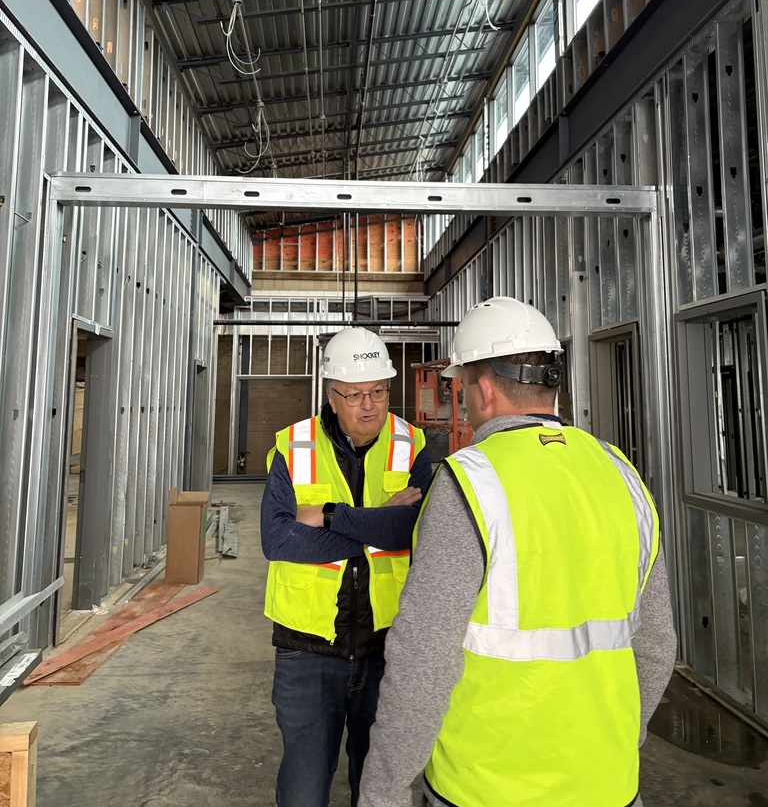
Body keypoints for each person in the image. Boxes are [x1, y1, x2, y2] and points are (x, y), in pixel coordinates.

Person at [358, 296, 677, 807]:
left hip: (485, 787)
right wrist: (618, 743)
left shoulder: (469, 484)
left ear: (482, 388)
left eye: (460, 387)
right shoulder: (622, 476)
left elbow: (424, 661)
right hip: (609, 784)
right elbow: (657, 645)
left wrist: (384, 789)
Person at [261, 327, 432, 807]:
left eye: (378, 390)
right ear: (331, 396)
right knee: (304, 788)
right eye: (355, 394)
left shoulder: (411, 444)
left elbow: (410, 531)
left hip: (386, 644)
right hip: (306, 648)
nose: (369, 405)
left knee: (378, 786)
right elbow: (277, 539)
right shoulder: (294, 446)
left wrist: (332, 517)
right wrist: (377, 527)